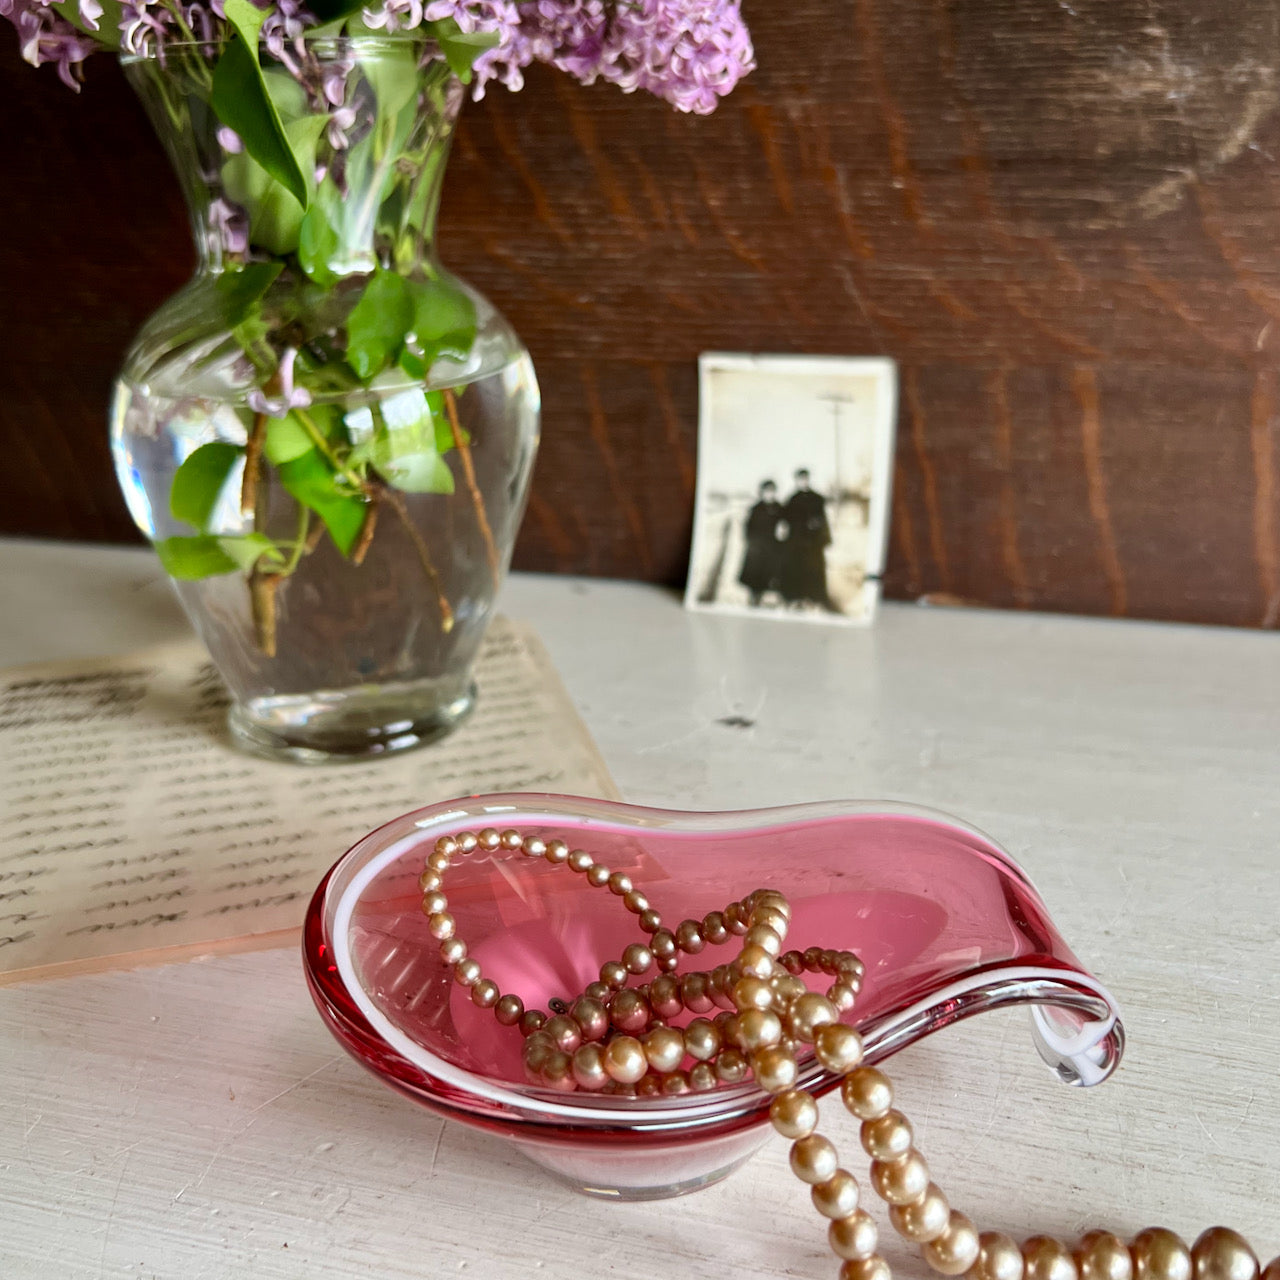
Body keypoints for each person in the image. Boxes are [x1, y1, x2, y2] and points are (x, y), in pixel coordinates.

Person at [781, 469, 834, 609]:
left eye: (805, 479)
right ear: (796, 481)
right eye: (800, 479)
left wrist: (824, 536)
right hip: (797, 542)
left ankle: (815, 597)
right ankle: (797, 597)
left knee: (815, 569)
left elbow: (823, 520)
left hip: (814, 543)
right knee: (798, 569)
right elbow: (785, 520)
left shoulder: (817, 498)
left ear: (808, 480)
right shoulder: (792, 499)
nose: (803, 482)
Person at [738, 479, 783, 606]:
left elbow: (784, 526)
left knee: (770, 576)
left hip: (773, 548)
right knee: (754, 578)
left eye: (771, 491)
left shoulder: (779, 508)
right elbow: (748, 528)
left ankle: (767, 600)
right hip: (757, 550)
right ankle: (753, 598)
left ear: (775, 492)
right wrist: (752, 542)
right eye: (766, 491)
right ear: (761, 492)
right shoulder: (755, 509)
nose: (769, 494)